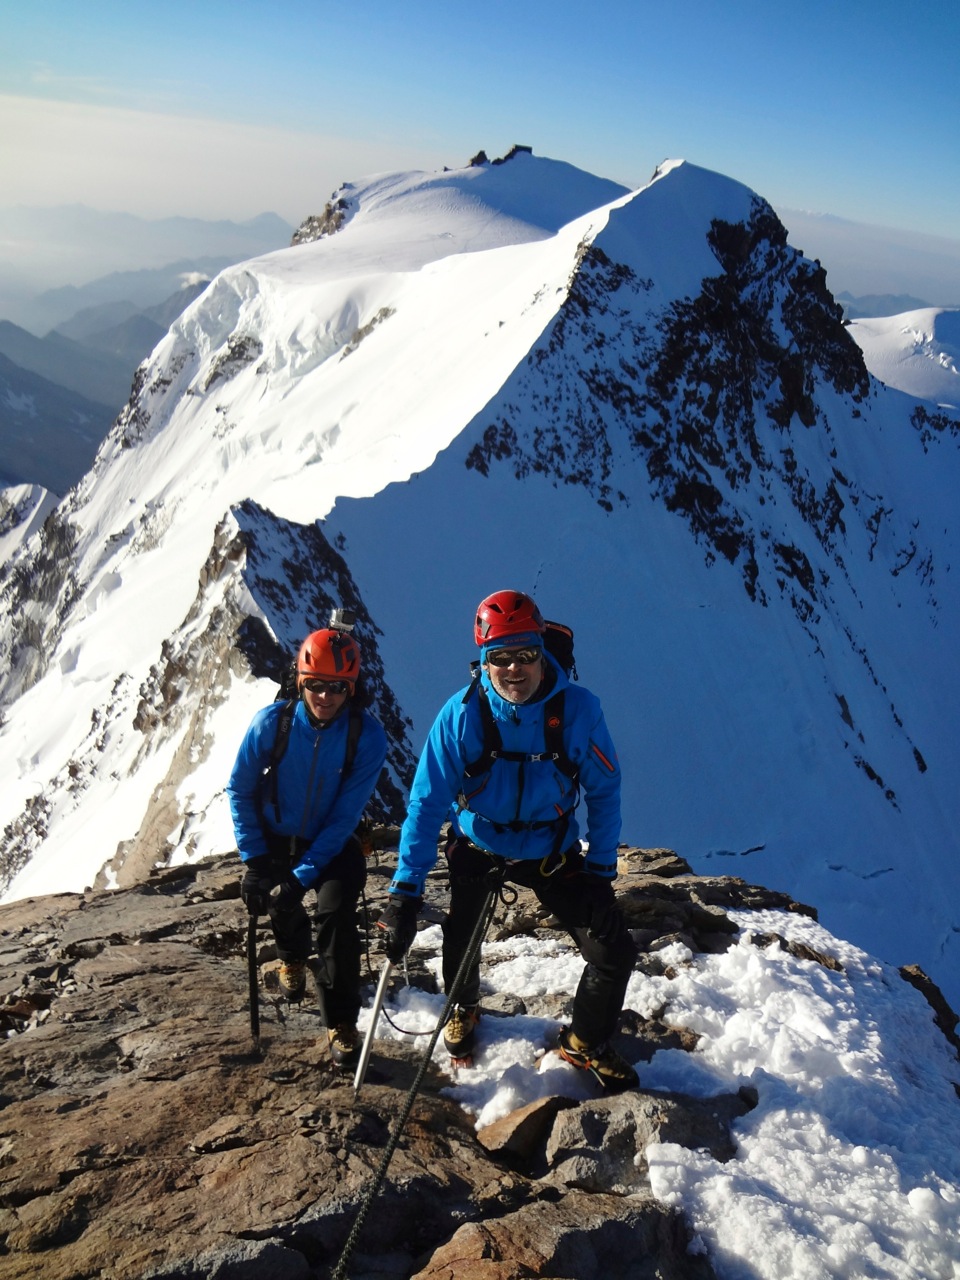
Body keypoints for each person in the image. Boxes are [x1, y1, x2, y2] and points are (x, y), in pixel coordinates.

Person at [380, 589, 639, 1092]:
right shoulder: (460, 715)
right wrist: (404, 892)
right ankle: (463, 1005)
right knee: (462, 935)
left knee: (613, 951)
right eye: (500, 657)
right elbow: (426, 803)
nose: (514, 668)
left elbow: (605, 791)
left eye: (525, 654)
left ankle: (585, 1042)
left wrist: (601, 871)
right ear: (483, 660)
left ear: (542, 652)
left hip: (550, 850)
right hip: (479, 843)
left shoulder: (579, 711)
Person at [227, 623, 387, 1067]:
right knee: (281, 905)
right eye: (316, 684)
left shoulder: (366, 737)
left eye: (337, 687)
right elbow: (240, 789)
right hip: (277, 836)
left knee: (336, 919)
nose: (325, 696)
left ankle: (341, 1022)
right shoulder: (271, 724)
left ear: (352, 689)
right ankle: (291, 956)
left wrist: (300, 878)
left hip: (334, 842)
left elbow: (344, 817)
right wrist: (255, 860)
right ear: (299, 681)